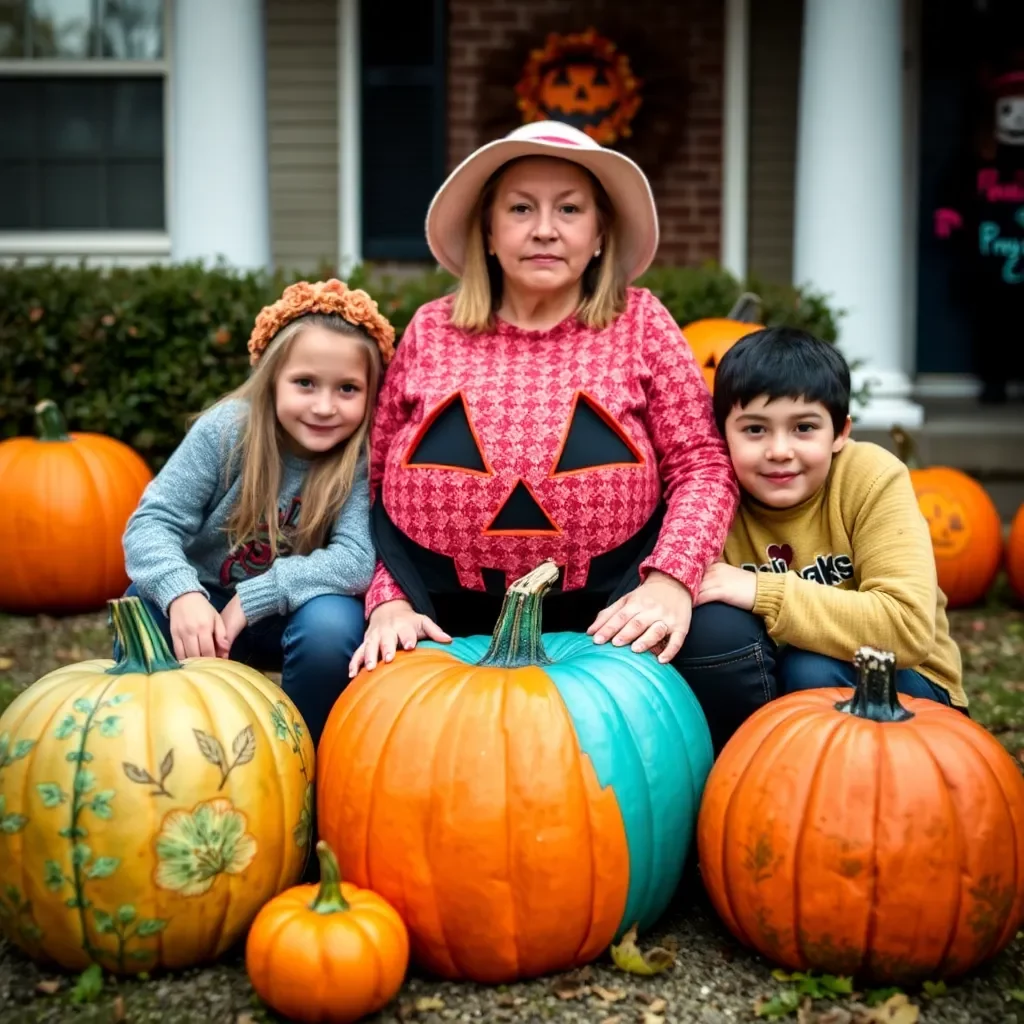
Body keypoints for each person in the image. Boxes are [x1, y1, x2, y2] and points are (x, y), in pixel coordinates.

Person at [349, 120, 778, 754]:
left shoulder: (641, 323)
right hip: (437, 606)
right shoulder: (431, 328)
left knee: (725, 642)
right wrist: (387, 598)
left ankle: (724, 809)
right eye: (521, 208)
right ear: (488, 233)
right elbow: (379, 483)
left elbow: (703, 466)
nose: (544, 228)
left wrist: (670, 581)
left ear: (599, 233)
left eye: (568, 209)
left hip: (611, 600)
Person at [122, 279, 394, 745]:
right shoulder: (226, 433)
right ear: (272, 379)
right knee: (145, 607)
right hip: (200, 602)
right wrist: (181, 594)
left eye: (347, 389)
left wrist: (253, 598)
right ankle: (166, 751)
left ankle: (308, 759)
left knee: (334, 625)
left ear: (371, 396)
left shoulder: (358, 458)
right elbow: (151, 525)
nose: (324, 406)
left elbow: (355, 560)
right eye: (305, 383)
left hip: (288, 611)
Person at [697, 326, 966, 711]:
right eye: (755, 429)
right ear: (723, 434)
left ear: (840, 432)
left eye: (803, 428)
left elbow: (907, 628)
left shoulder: (871, 477)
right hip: (777, 682)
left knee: (813, 669)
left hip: (912, 693)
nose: (779, 451)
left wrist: (761, 590)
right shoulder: (712, 492)